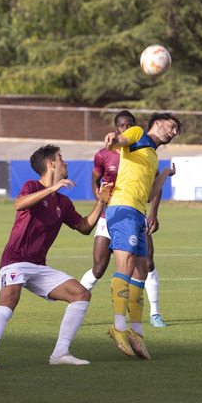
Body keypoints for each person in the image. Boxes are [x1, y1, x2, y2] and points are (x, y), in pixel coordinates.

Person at [0, 144, 113, 370]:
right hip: (15, 260)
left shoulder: (64, 202)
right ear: (51, 163)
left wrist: (101, 202)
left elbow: (85, 227)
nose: (66, 163)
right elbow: (19, 204)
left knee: (81, 294)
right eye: (61, 158)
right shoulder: (32, 186)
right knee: (9, 301)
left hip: (38, 266)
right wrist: (51, 188)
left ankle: (60, 353)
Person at [103, 112, 182, 359]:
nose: (174, 132)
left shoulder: (153, 156)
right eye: (171, 126)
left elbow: (149, 195)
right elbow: (120, 142)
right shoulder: (138, 134)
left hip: (138, 212)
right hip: (122, 208)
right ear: (157, 123)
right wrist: (114, 140)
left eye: (177, 130)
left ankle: (136, 332)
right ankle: (118, 327)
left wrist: (165, 174)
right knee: (125, 268)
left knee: (141, 273)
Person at [80, 111, 169, 327]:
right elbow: (95, 179)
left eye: (129, 125)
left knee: (146, 261)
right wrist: (100, 202)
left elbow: (152, 187)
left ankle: (153, 314)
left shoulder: (143, 150)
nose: (125, 129)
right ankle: (78, 304)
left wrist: (154, 213)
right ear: (116, 127)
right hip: (110, 212)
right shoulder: (105, 154)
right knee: (100, 267)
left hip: (136, 213)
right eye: (121, 126)